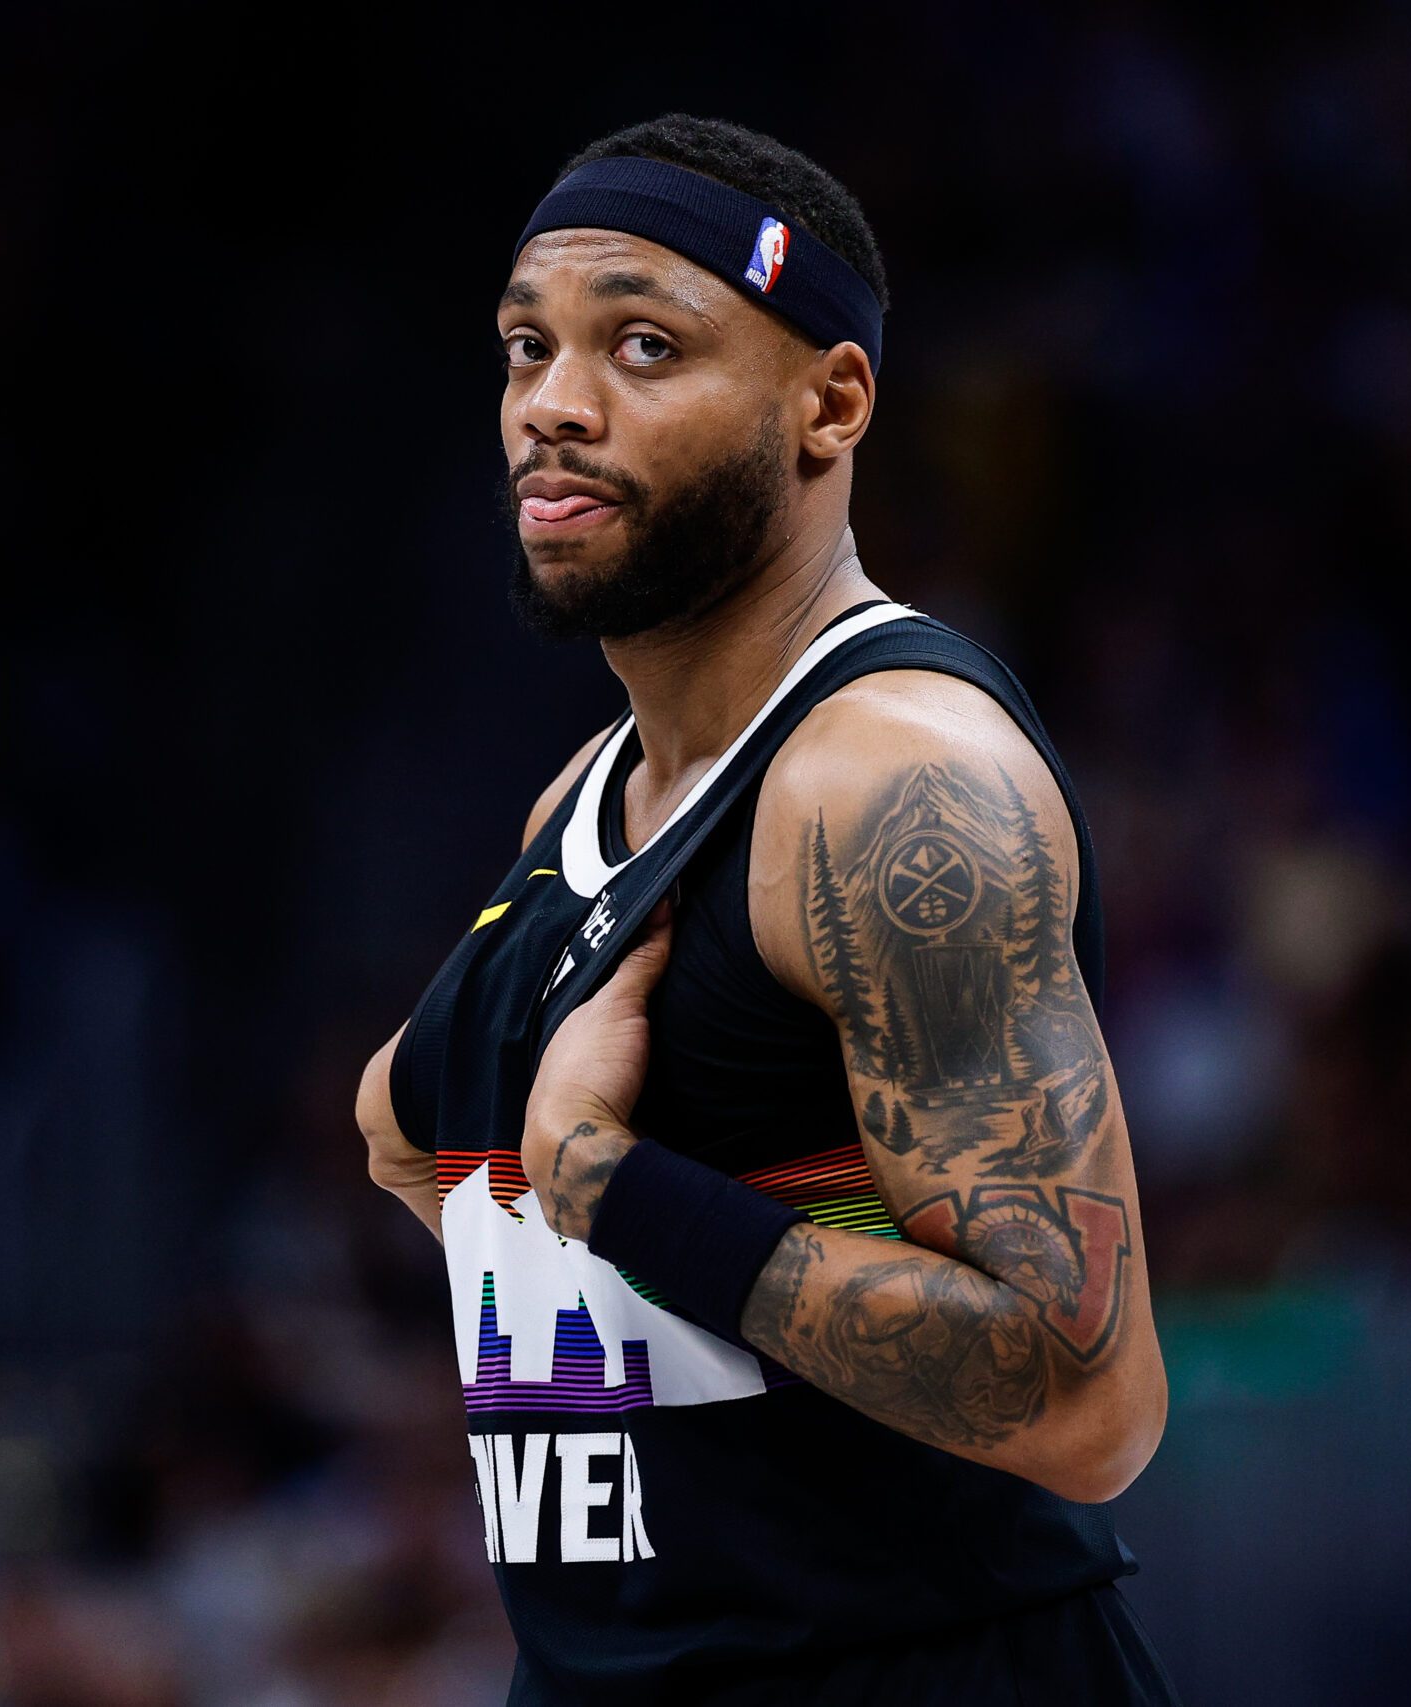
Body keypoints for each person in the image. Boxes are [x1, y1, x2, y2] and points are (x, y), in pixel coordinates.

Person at [356, 113, 1181, 1706]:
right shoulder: (581, 796)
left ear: (832, 403)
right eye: (527, 347)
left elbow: (1089, 1404)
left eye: (643, 346)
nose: (553, 404)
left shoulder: (892, 781)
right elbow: (435, 1157)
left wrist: (611, 1190)